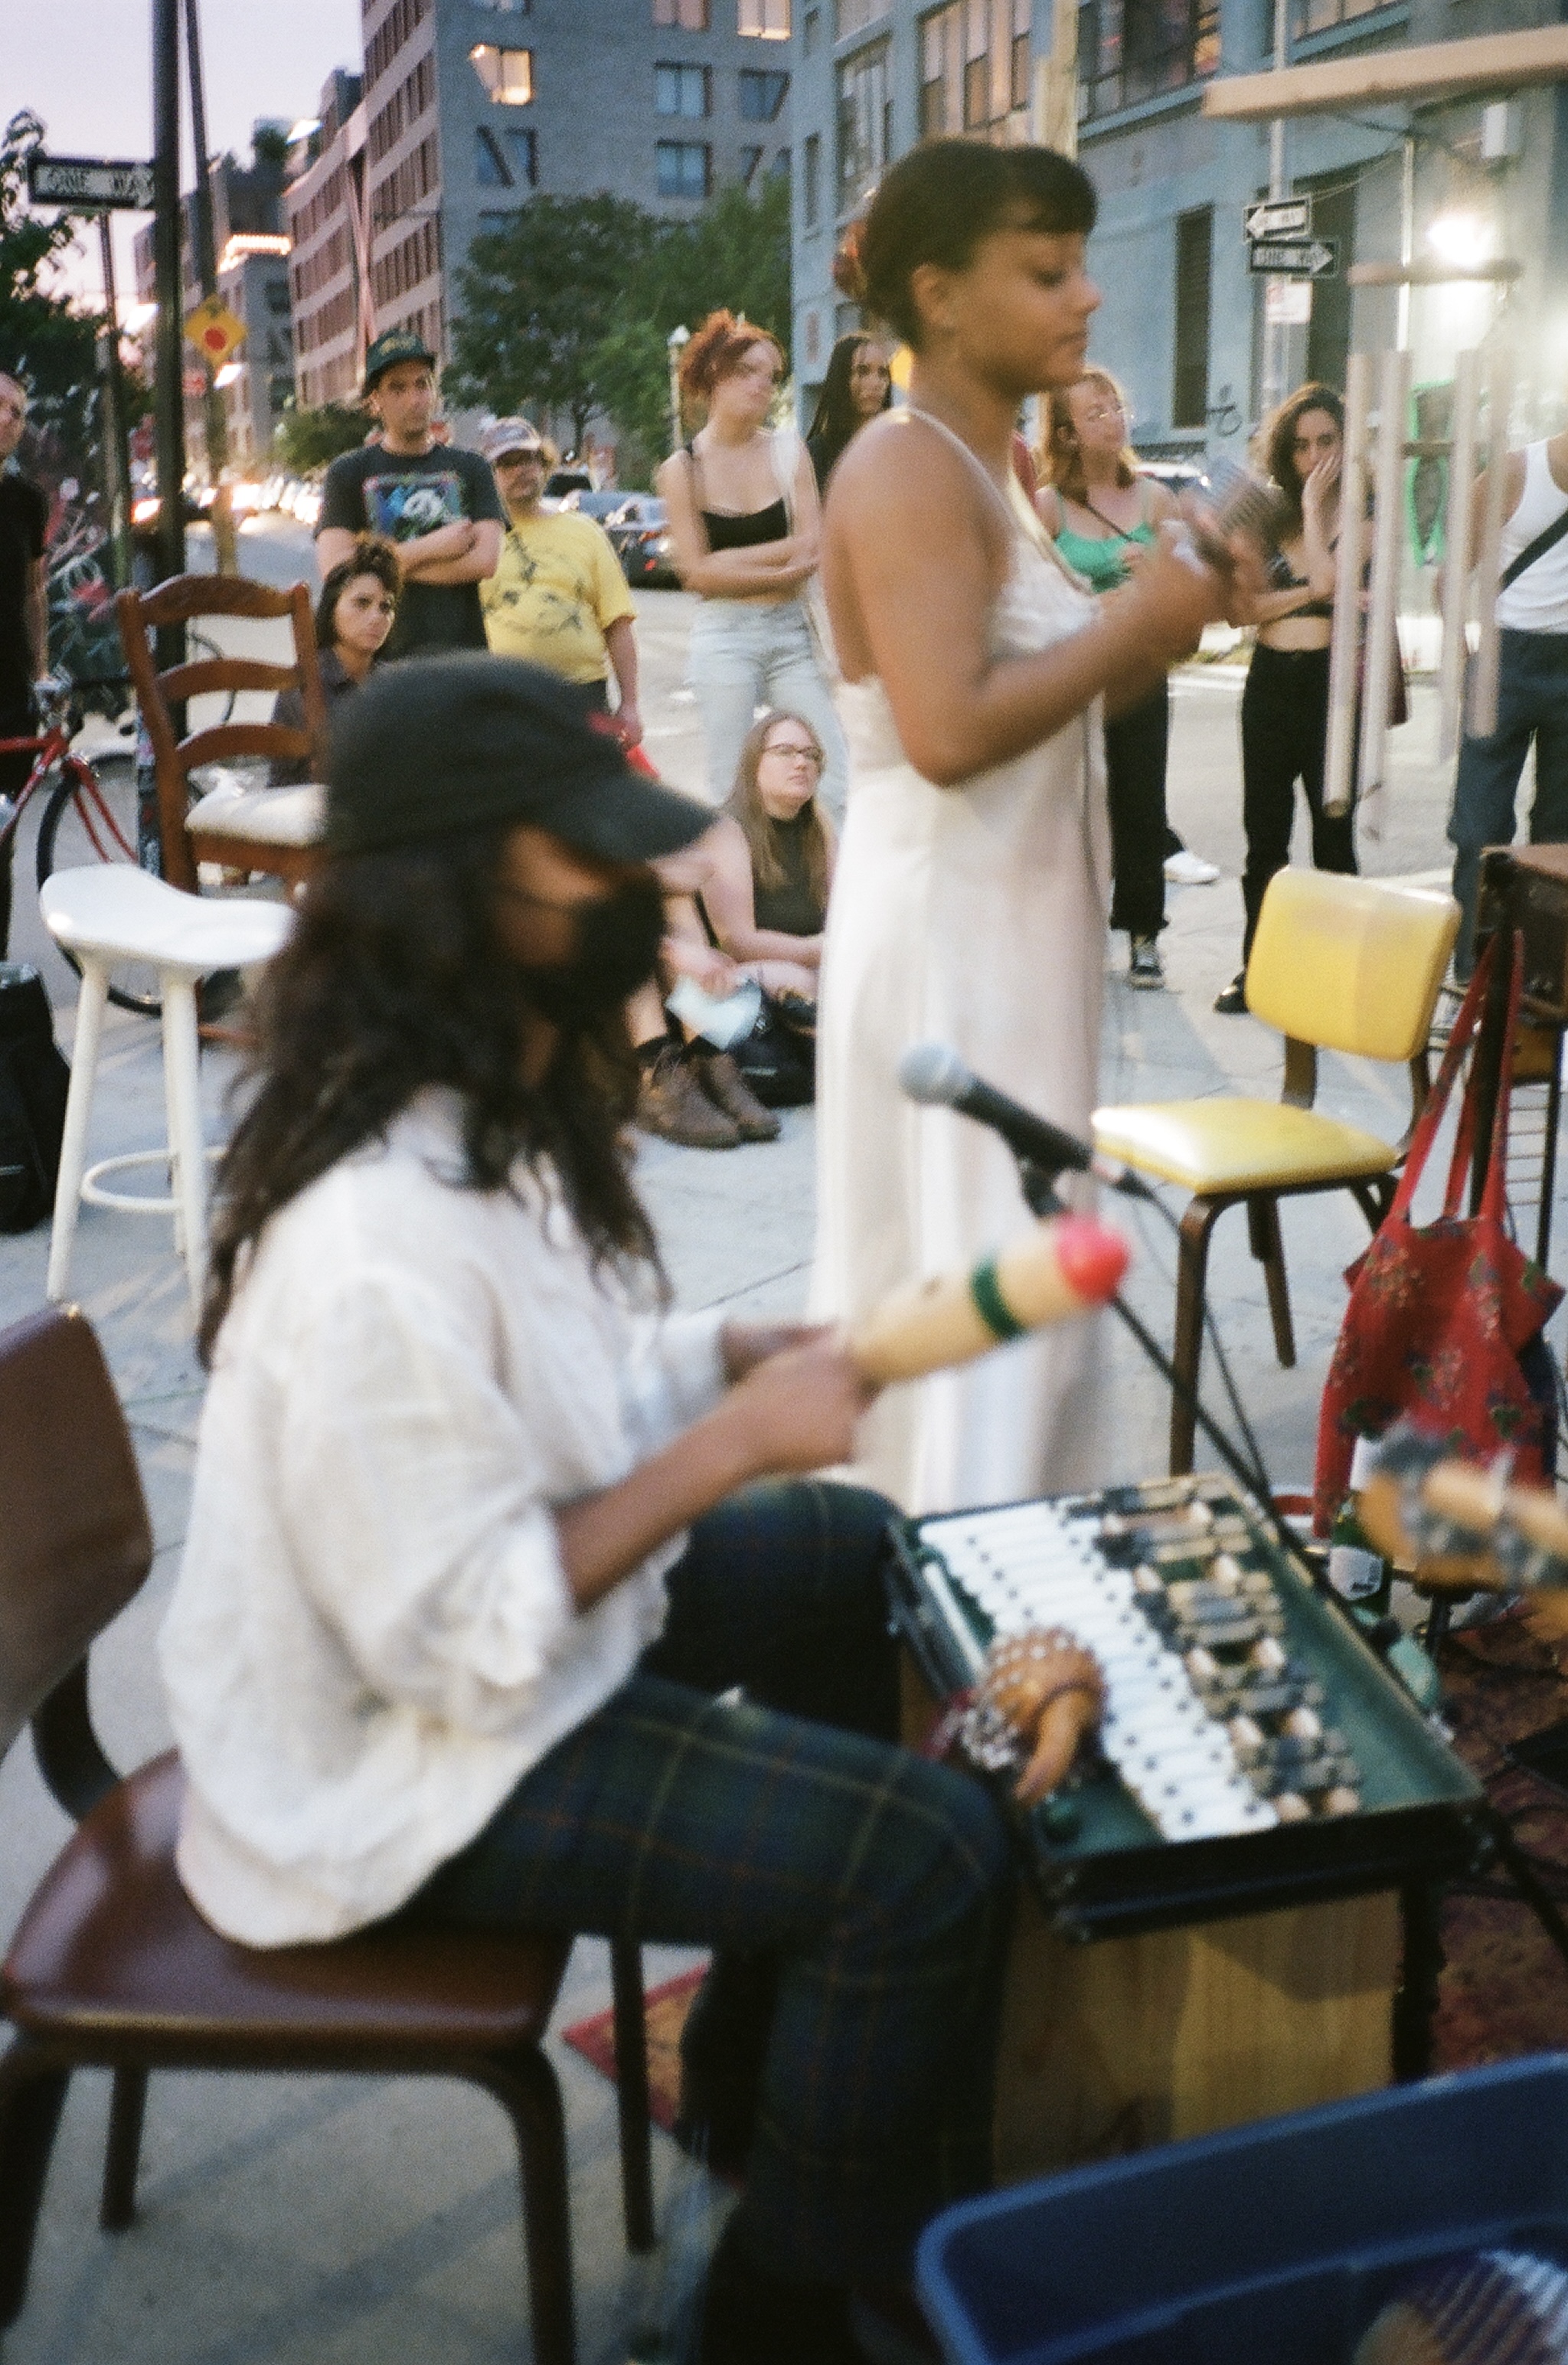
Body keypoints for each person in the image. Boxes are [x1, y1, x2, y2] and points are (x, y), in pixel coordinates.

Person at [158, 653, 1013, 2365]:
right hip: (392, 1773)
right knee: (924, 1854)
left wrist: (719, 1357)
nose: (641, 883)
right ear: (458, 891)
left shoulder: (483, 1097)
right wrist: (731, 1442)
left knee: (855, 1551)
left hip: (461, 1662)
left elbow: (551, 1387)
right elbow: (461, 1638)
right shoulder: (369, 1244)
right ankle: (772, 2323)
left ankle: (778, 2086)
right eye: (588, 852)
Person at [811, 139, 1243, 1516]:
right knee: (979, 1290)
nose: (1086, 297)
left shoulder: (990, 465)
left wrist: (1172, 612)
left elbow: (1069, 699)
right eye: (1046, 271)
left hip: (1014, 923)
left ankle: (1004, 1568)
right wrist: (1138, 618)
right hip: (950, 935)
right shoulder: (903, 468)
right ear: (940, 296)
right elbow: (946, 730)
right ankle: (959, 1583)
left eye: (1081, 266)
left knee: (1023, 1279)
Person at [656, 311, 848, 820]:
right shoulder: (683, 469)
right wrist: (779, 568)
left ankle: (828, 871)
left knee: (832, 774)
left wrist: (726, 561)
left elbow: (812, 544)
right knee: (731, 783)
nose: (762, 384)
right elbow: (697, 576)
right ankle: (739, 873)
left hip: (791, 634)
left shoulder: (788, 451)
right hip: (725, 637)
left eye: (771, 375)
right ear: (714, 376)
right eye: (747, 371)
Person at [1038, 368, 1183, 990]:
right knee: (1074, 807)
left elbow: (1181, 591)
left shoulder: (1155, 500)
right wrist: (1090, 604)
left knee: (1142, 804)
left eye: (1115, 407)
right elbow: (1029, 599)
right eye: (1095, 413)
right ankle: (1075, 931)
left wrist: (1154, 575)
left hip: (1140, 671)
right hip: (1077, 675)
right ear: (1066, 434)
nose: (1113, 420)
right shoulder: (1048, 506)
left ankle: (1144, 933)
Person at [1214, 381, 1354, 1016]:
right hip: (1270, 681)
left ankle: (1338, 974)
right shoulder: (1264, 517)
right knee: (1265, 838)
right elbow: (1242, 612)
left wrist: (1317, 512)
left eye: (1326, 441)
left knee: (1334, 835)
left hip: (1329, 686)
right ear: (1284, 452)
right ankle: (1260, 970)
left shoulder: (1361, 514)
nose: (1313, 457)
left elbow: (1328, 574)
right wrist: (1309, 594)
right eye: (1301, 446)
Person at [1448, 413, 1568, 975]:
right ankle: (1471, 973)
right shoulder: (1516, 472)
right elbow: (1453, 573)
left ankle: (1539, 983)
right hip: (1506, 656)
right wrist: (1465, 658)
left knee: (1560, 835)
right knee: (1479, 828)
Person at [315, 329, 503, 660]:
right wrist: (436, 547)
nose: (414, 400)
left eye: (422, 384)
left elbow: (485, 562)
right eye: (397, 388)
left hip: (461, 658)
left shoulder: (472, 467)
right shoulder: (348, 472)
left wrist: (375, 567)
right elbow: (337, 571)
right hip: (379, 662)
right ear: (375, 400)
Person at [478, 417, 642, 743]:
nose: (520, 470)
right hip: (503, 700)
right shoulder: (477, 538)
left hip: (582, 696)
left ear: (544, 464)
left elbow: (618, 624)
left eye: (528, 459)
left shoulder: (585, 532)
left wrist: (630, 705)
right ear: (488, 475)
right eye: (507, 464)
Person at [267, 538, 399, 787]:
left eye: (386, 607)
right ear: (332, 608)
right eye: (362, 603)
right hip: (305, 801)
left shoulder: (393, 681)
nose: (376, 617)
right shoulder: (307, 682)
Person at [0, 370, 49, 956]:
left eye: (17, 410)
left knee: (2, 842)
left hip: (10, 693)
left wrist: (41, 672)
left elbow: (35, 593)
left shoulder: (26, 501)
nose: (8, 419)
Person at [805, 334, 893, 497]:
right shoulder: (815, 456)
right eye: (863, 371)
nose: (876, 383)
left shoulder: (897, 449)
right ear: (841, 377)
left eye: (882, 373)